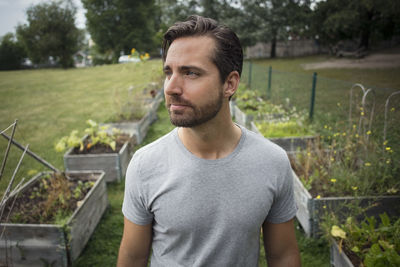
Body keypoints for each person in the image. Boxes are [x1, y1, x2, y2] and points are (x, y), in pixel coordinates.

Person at [117, 15, 301, 267]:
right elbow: (133, 258)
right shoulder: (145, 165)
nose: (171, 87)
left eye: (190, 73)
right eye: (168, 72)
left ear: (230, 84)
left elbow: (283, 256)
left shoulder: (272, 162)